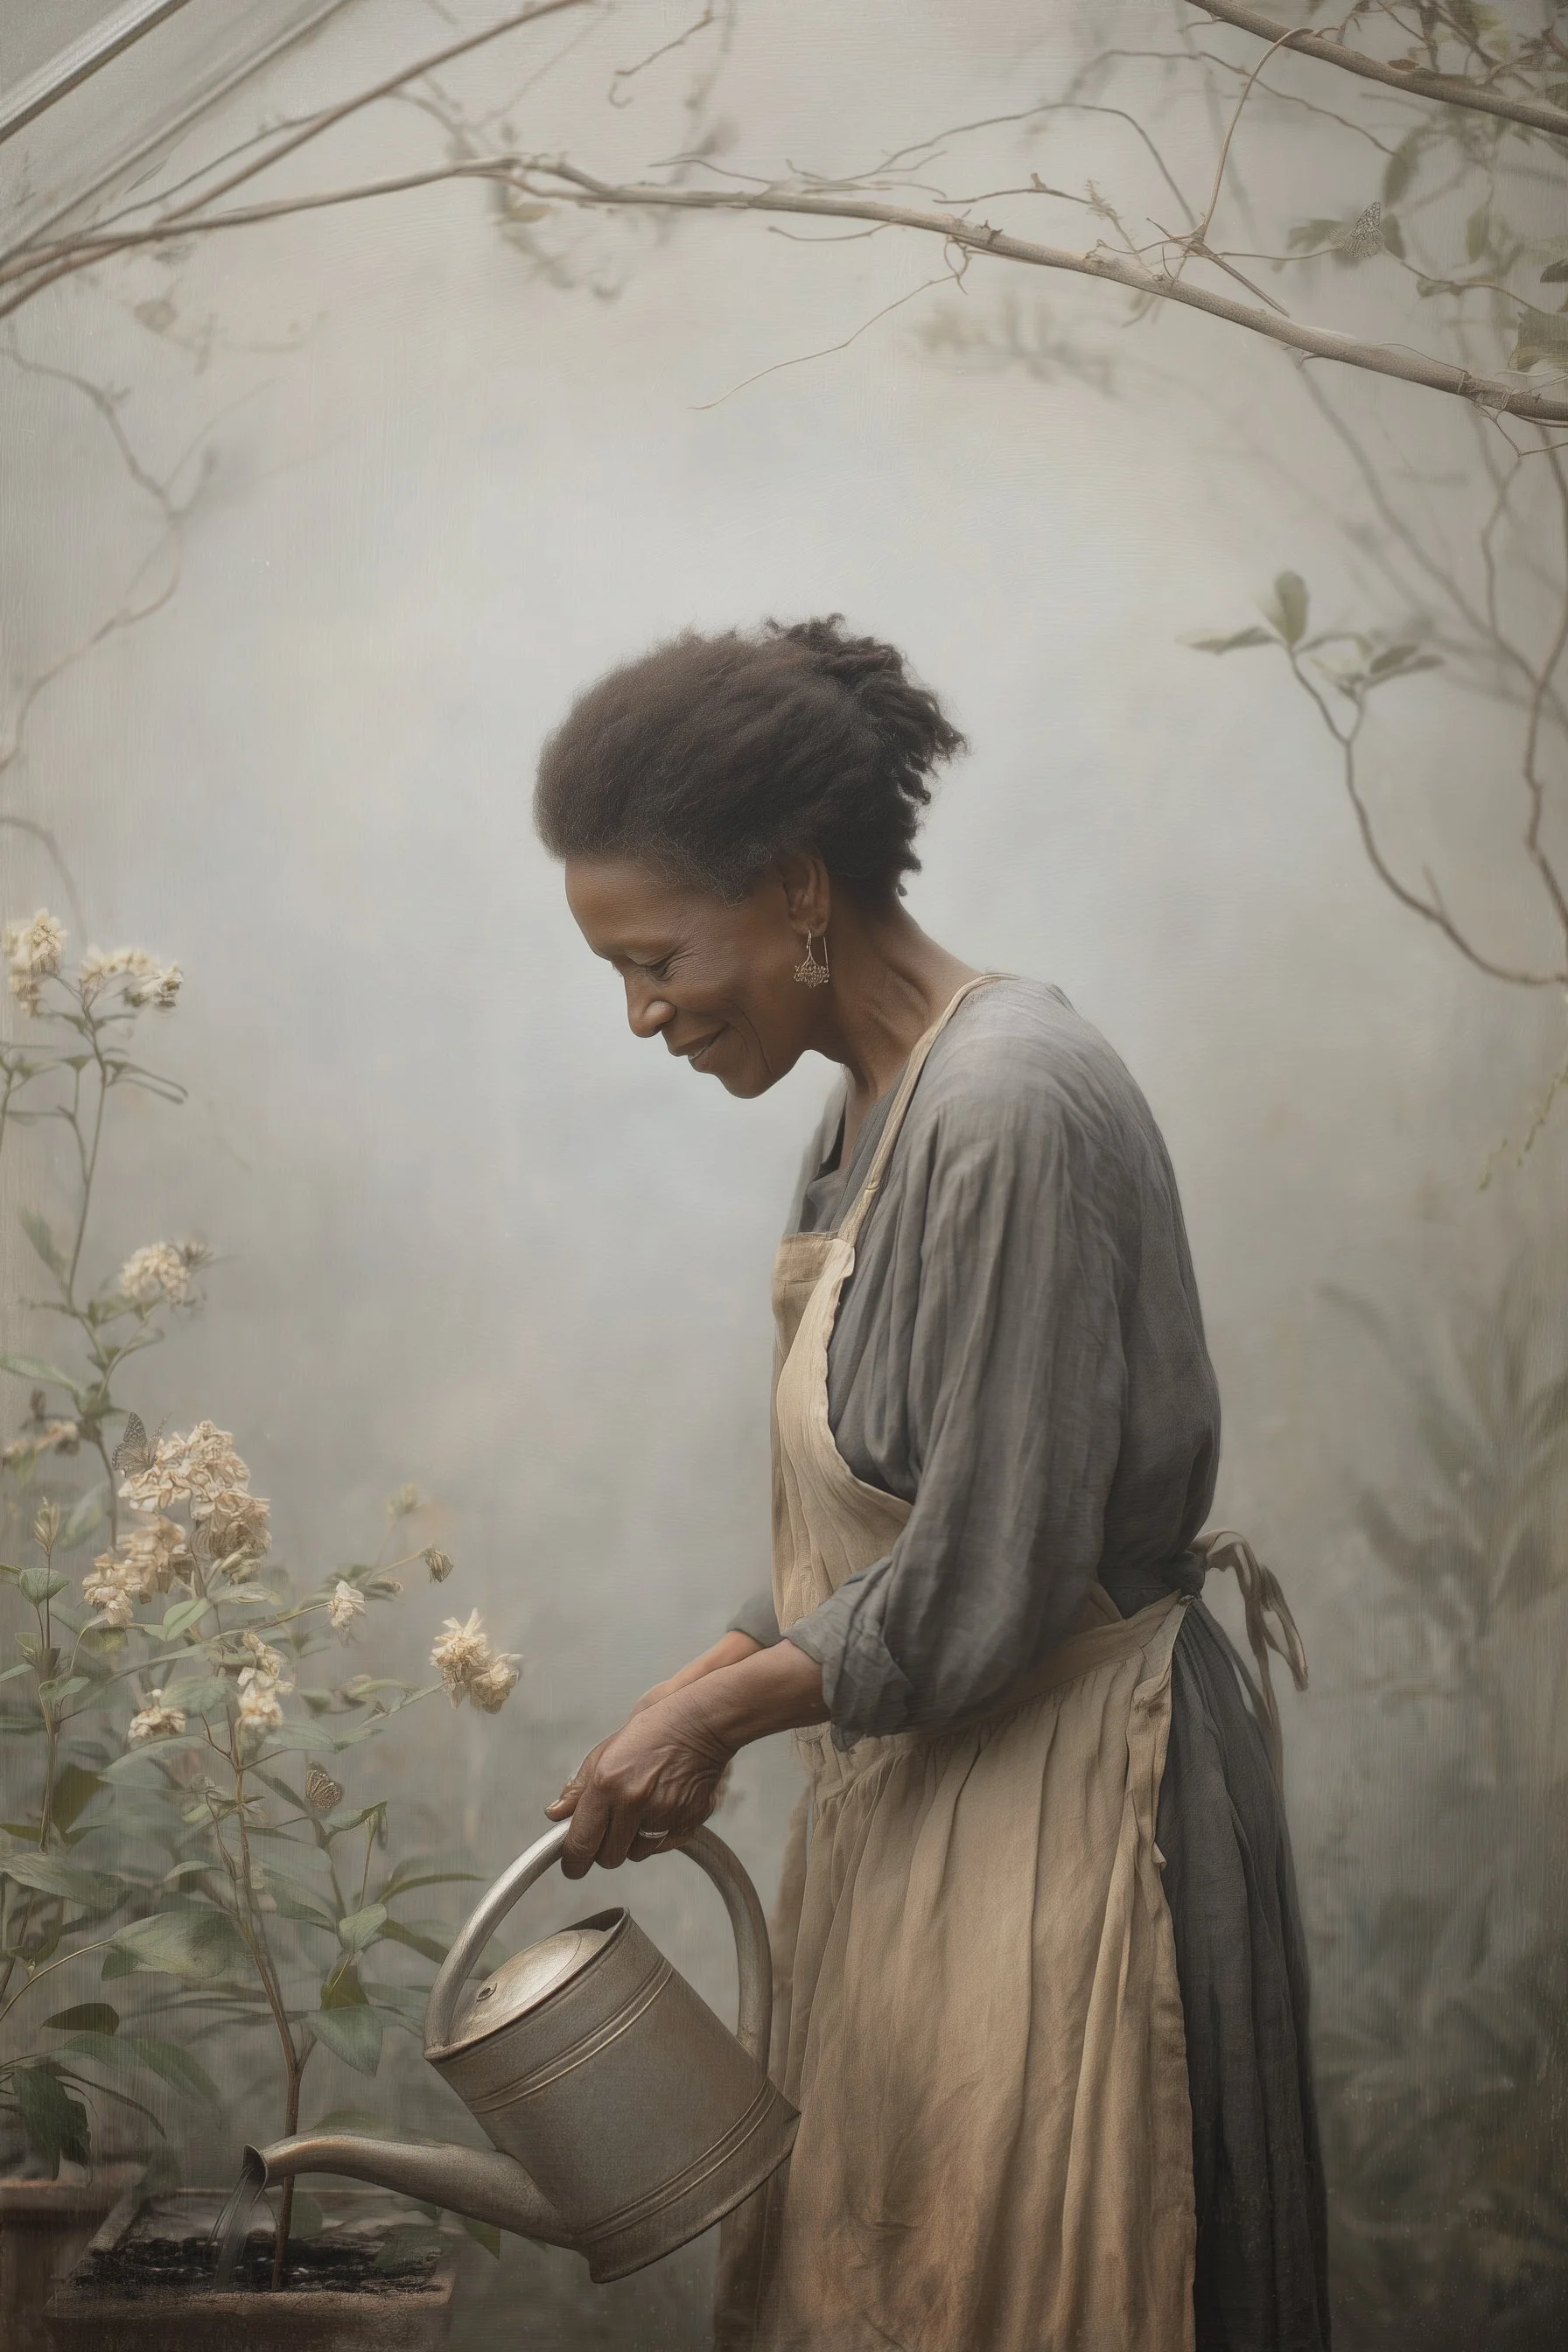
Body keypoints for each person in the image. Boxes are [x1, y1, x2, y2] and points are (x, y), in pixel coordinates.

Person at [533, 615, 1330, 2352]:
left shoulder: (1006, 1107)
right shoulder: (857, 1112)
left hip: (1074, 1810)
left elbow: (984, 1578)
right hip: (934, 1813)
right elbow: (876, 1519)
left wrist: (719, 1720)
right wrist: (693, 1683)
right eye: (615, 970)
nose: (641, 1014)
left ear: (800, 891)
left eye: (657, 957)